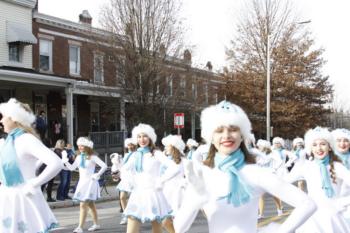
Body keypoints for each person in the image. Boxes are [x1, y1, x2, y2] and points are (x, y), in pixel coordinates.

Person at [173, 100, 316, 233]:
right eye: (219, 130)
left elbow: (307, 204)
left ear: (242, 135)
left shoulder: (255, 173)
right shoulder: (202, 175)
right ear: (211, 136)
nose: (226, 135)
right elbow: (178, 228)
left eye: (233, 129)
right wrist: (195, 198)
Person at [0, 98, 62, 232]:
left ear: (14, 118)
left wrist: (34, 183)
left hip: (23, 198)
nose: (1, 120)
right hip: (7, 196)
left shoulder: (26, 139)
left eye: (4, 116)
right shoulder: (7, 142)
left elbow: (56, 163)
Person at [284, 126, 350, 233]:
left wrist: (343, 203)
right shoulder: (305, 166)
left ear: (329, 147)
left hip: (333, 217)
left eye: (323, 144)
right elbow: (282, 182)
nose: (319, 148)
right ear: (310, 149)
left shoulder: (338, 167)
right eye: (314, 145)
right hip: (311, 218)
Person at [119, 123, 174, 233]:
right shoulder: (135, 155)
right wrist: (130, 181)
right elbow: (124, 169)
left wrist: (161, 181)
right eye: (139, 137)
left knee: (157, 228)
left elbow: (173, 167)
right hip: (137, 194)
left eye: (145, 136)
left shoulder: (156, 153)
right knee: (131, 229)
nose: (142, 139)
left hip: (154, 194)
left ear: (150, 138)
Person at [62, 137, 107, 233]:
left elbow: (104, 166)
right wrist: (65, 161)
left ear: (87, 146)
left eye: (82, 145)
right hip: (82, 183)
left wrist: (97, 174)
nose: (80, 147)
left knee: (83, 205)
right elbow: (71, 168)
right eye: (79, 146)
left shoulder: (93, 157)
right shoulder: (78, 157)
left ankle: (80, 227)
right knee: (91, 205)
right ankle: (96, 224)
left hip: (91, 183)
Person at [161, 135, 186, 232]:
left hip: (177, 193)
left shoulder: (182, 161)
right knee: (165, 221)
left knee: (177, 222)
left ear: (174, 147)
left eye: (167, 146)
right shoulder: (166, 161)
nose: (165, 148)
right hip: (166, 192)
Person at [116, 137, 137, 225]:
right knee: (122, 197)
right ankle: (125, 215)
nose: (130, 146)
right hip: (125, 179)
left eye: (131, 144)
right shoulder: (126, 154)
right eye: (128, 145)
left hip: (134, 178)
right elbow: (122, 167)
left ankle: (134, 215)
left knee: (134, 200)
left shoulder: (137, 154)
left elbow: (129, 166)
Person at [331, 128, 350, 223]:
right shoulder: (327, 159)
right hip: (333, 202)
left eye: (346, 140)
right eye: (338, 140)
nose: (342, 144)